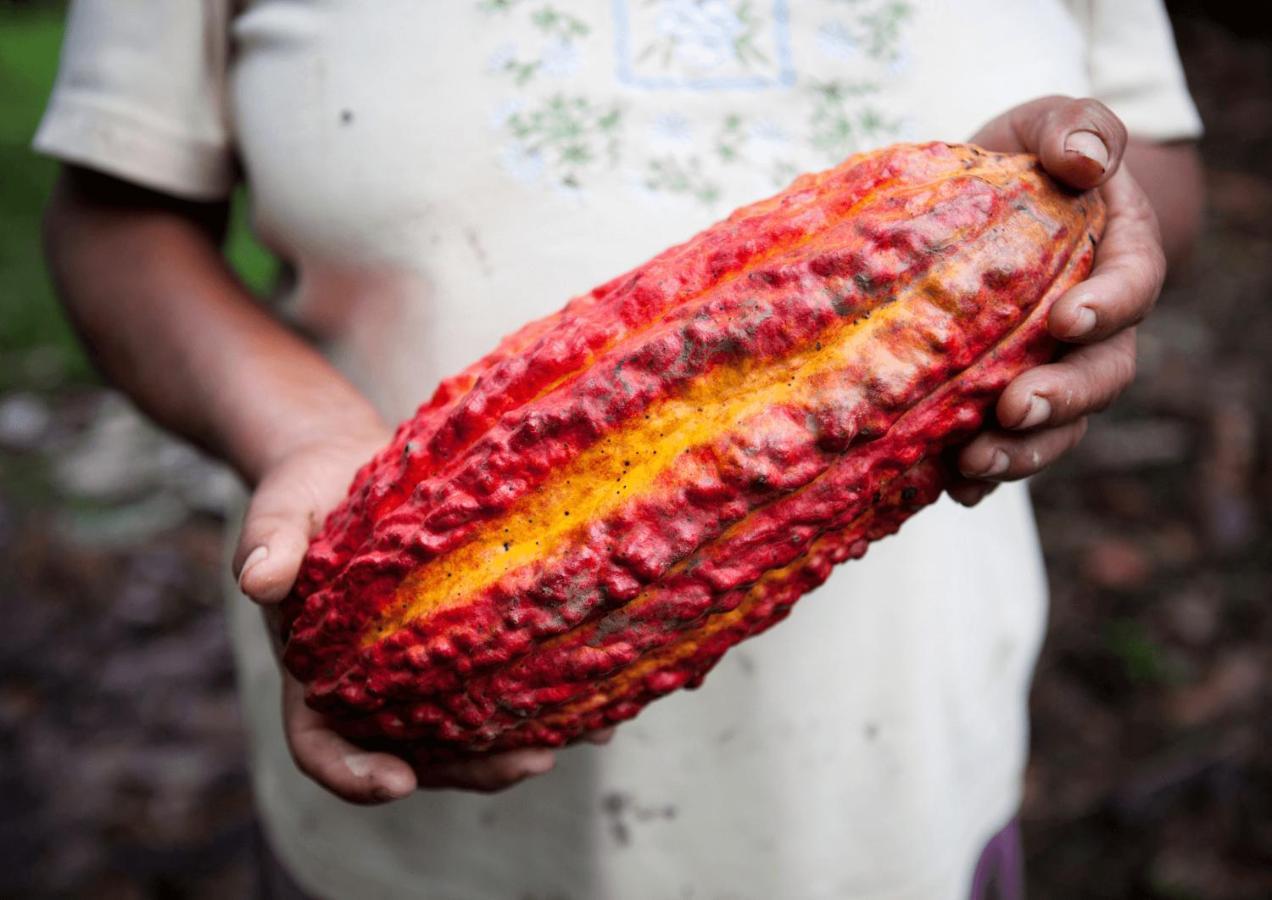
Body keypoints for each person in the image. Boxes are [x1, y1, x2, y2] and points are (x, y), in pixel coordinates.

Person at [35, 1, 1203, 897]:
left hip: (891, 784)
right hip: (407, 801)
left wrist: (1091, 223)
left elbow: (1148, 155)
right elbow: (115, 213)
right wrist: (303, 434)